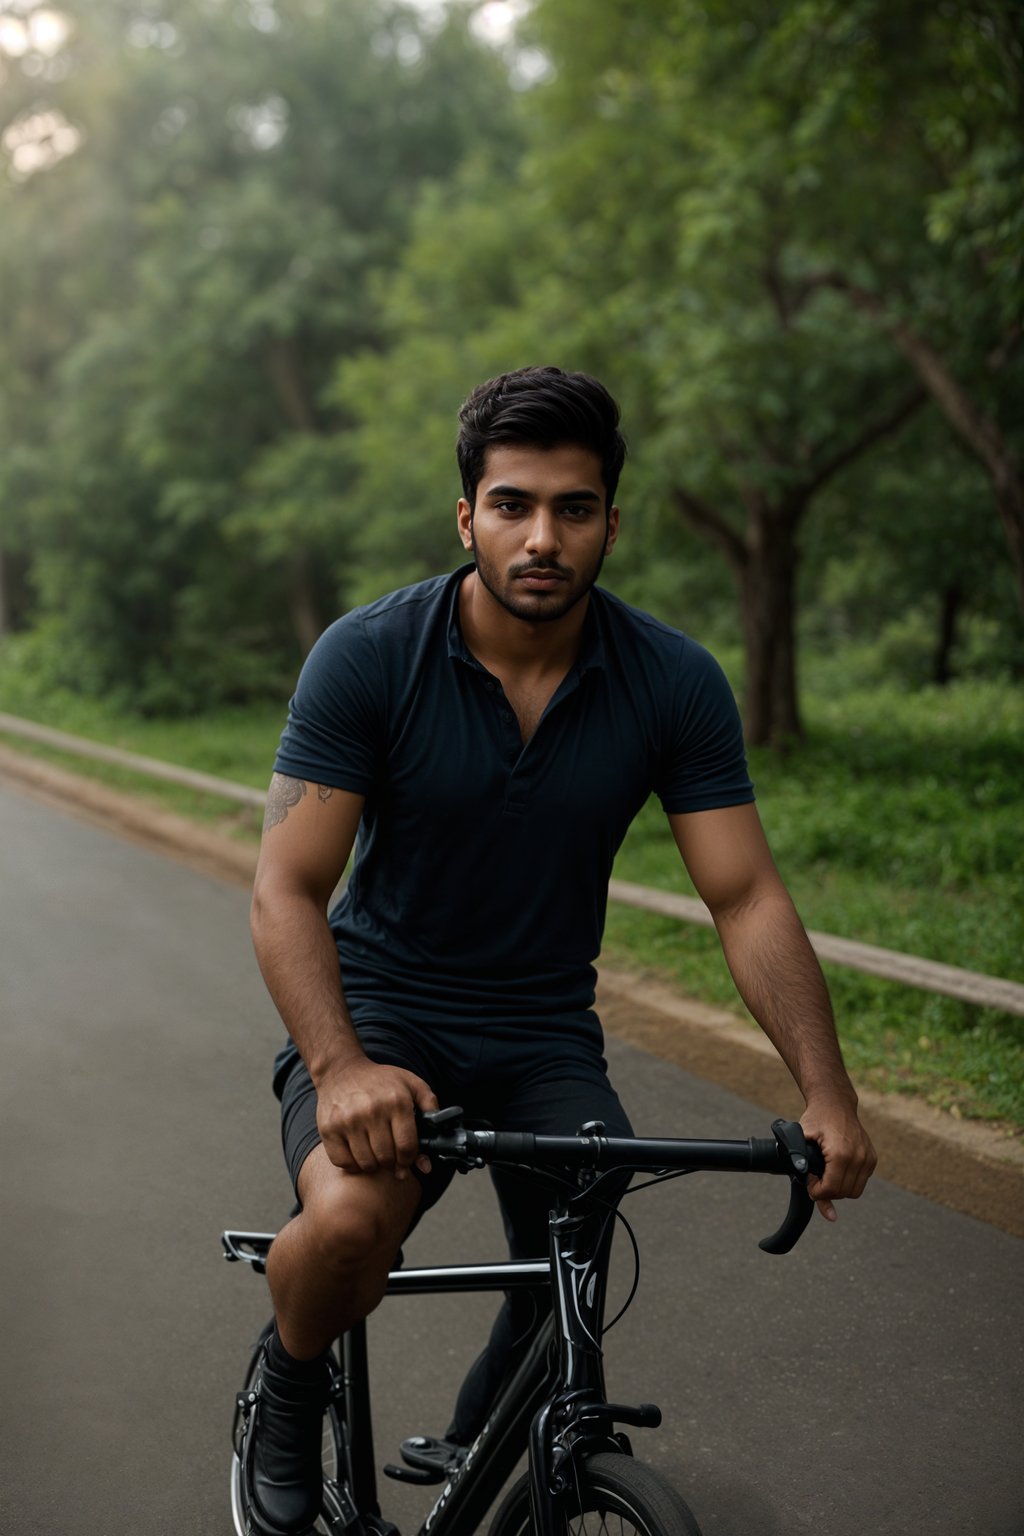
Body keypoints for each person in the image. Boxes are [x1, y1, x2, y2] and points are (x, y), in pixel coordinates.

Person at [247, 365, 876, 1535]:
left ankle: (490, 1445)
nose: (543, 538)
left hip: (541, 1030)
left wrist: (826, 1092)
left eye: (573, 510)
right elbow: (286, 885)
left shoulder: (671, 681)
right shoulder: (369, 655)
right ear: (466, 516)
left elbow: (744, 898)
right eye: (513, 505)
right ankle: (284, 1397)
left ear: (609, 523)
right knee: (345, 1227)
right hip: (381, 1012)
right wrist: (340, 1070)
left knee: (580, 1266)